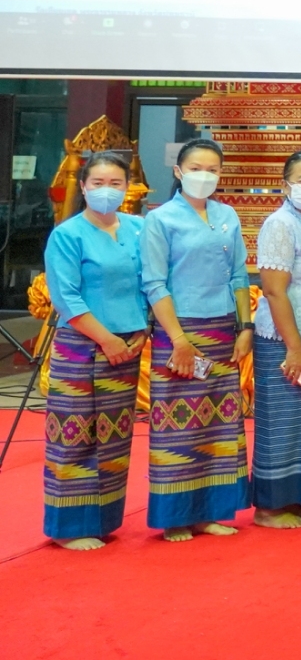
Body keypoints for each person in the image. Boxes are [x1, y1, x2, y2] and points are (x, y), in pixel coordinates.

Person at [140, 138, 253, 540]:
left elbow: (240, 275)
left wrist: (245, 328)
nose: (204, 176)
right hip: (180, 331)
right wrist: (177, 339)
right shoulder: (161, 219)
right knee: (178, 424)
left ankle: (212, 510)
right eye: (196, 168)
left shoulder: (227, 215)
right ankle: (176, 515)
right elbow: (154, 282)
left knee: (219, 422)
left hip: (223, 329)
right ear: (178, 171)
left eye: (212, 170)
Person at [42, 151, 147, 549]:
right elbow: (66, 298)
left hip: (130, 345)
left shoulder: (139, 228)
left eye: (115, 184)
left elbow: (153, 282)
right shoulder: (67, 235)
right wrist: (107, 339)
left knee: (115, 436)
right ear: (83, 187)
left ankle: (104, 519)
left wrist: (144, 329)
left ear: (127, 188)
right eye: (98, 183)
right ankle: (70, 528)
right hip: (83, 348)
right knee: (75, 436)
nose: (107, 191)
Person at [251, 149, 301, 528]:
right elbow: (273, 290)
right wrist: (294, 347)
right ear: (285, 184)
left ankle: (297, 498)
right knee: (280, 420)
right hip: (284, 337)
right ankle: (269, 505)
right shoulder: (279, 224)